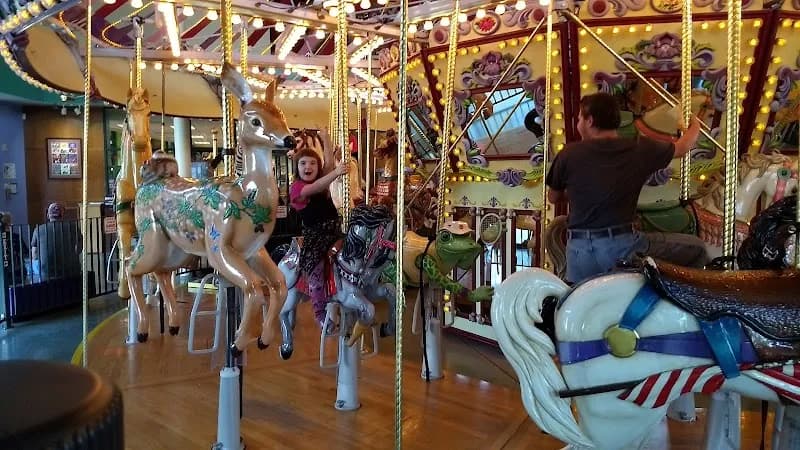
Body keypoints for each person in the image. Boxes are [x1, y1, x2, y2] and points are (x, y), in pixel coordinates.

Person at [545, 92, 709, 284]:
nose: (579, 123)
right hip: (621, 247)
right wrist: (695, 123)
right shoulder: (639, 149)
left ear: (590, 121)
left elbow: (553, 197)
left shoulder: (568, 154)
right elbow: (683, 147)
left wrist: (581, 192)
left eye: (580, 118)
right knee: (697, 248)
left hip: (578, 252)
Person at [289, 148, 349, 329]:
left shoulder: (321, 183)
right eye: (303, 163)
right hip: (316, 239)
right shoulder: (297, 188)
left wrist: (326, 140)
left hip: (335, 234)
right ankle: (319, 313)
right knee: (317, 269)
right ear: (296, 167)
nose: (308, 166)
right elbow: (317, 186)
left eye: (313, 163)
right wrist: (336, 172)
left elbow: (329, 166)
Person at [31, 202, 83, 282]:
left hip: (46, 272)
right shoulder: (72, 227)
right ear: (62, 214)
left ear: (48, 215)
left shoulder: (38, 229)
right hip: (70, 271)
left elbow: (34, 254)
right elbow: (80, 247)